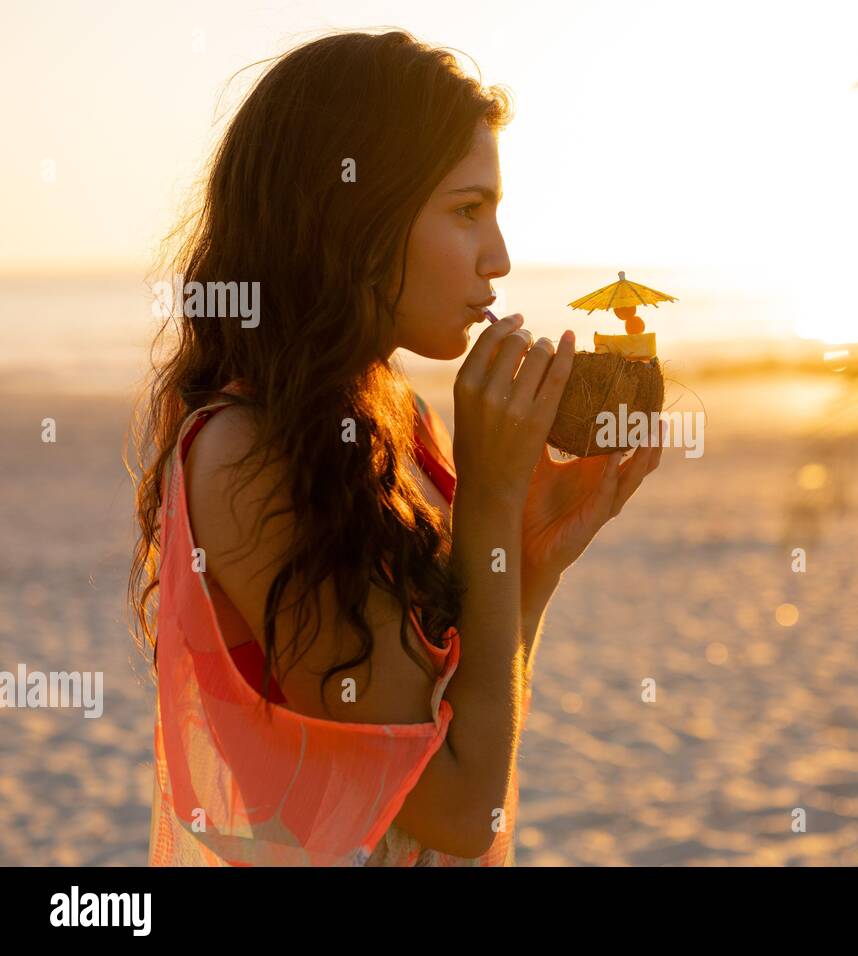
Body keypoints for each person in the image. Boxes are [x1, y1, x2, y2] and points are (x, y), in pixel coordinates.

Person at [127, 29, 661, 866]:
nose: (500, 257)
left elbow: (465, 724)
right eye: (466, 210)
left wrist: (532, 559)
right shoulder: (241, 454)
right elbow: (457, 810)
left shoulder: (393, 424)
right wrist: (484, 503)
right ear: (353, 215)